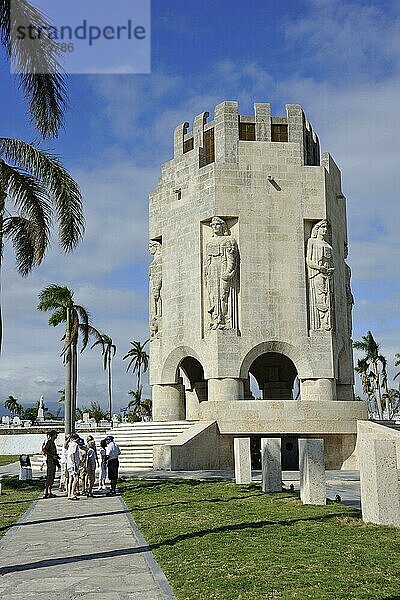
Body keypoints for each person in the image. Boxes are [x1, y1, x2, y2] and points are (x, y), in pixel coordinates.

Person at [204, 216, 239, 330]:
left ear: (222, 226)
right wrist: (206, 274)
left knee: (223, 295)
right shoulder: (209, 242)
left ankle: (224, 319)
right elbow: (207, 261)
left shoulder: (228, 240)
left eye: (217, 224)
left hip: (222, 268)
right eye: (213, 225)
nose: (214, 227)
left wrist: (228, 272)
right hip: (212, 270)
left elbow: (231, 258)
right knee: (213, 296)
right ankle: (215, 319)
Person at [306, 220, 335, 331]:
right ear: (317, 229)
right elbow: (308, 260)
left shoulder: (328, 245)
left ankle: (326, 322)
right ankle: (321, 323)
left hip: (328, 275)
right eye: (323, 227)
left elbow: (331, 262)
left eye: (326, 228)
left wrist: (331, 269)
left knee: (328, 298)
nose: (325, 230)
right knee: (320, 297)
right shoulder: (312, 241)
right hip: (317, 273)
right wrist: (319, 268)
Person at [42, 430, 59, 499]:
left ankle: (49, 491)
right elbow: (44, 450)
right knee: (49, 476)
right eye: (56, 434)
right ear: (53, 435)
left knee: (52, 476)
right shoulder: (49, 442)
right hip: (50, 461)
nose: (57, 436)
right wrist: (52, 456)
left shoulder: (53, 443)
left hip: (53, 461)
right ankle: (45, 491)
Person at [66, 433, 80, 500]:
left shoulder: (70, 445)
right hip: (72, 464)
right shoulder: (75, 444)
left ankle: (69, 494)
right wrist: (74, 463)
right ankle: (72, 493)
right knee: (76, 479)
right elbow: (72, 454)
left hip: (69, 464)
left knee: (71, 479)